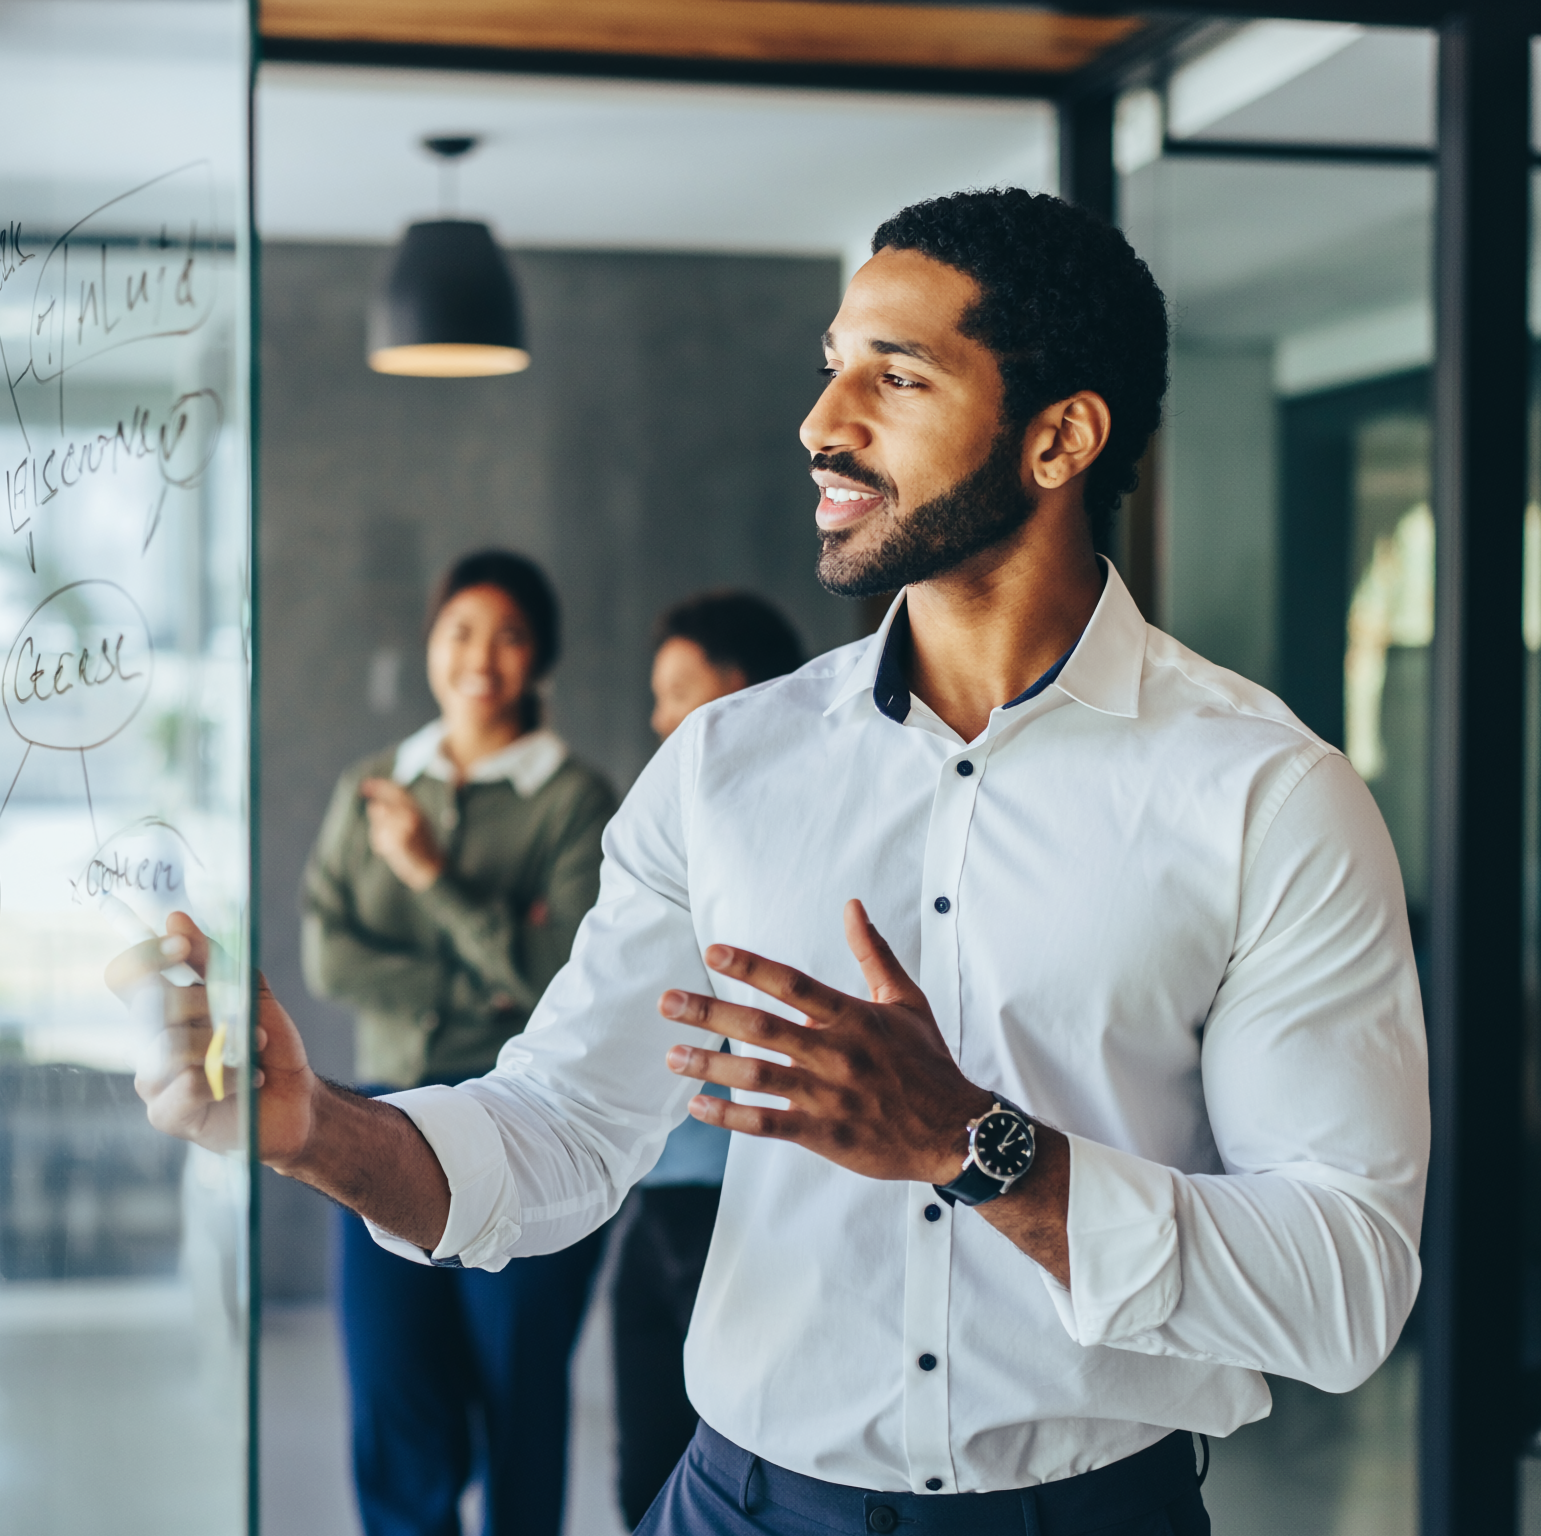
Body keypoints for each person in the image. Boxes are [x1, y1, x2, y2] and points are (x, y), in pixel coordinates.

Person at [131, 189, 1428, 1536]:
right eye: (831, 365)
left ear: (1059, 438)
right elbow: (564, 1128)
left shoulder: (1266, 797)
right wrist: (317, 1132)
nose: (823, 422)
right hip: (738, 1503)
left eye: (897, 374)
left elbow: (1343, 1294)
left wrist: (978, 1151)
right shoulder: (724, 767)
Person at [301, 549, 620, 1536]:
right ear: (432, 647)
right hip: (383, 1112)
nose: (482, 657)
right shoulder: (373, 785)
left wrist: (433, 876)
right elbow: (330, 957)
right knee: (395, 1404)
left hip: (526, 1122)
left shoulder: (574, 800)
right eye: (461, 632)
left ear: (542, 659)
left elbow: (558, 978)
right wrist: (486, 966)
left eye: (510, 635)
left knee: (519, 1400)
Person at [617, 590, 806, 1527]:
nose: (661, 720)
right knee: (643, 1471)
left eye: (678, 692)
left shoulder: (806, 830)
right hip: (661, 1186)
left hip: (745, 1193)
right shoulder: (674, 826)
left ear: (742, 693)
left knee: (740, 1467)